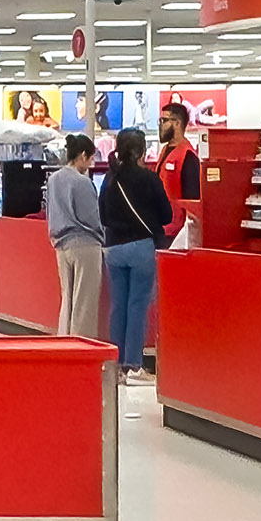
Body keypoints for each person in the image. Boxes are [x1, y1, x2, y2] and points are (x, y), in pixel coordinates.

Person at [99, 127, 171, 386]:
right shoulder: (149, 179)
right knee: (137, 306)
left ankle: (115, 365)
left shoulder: (110, 179)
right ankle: (134, 365)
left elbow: (103, 216)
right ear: (141, 150)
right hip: (141, 246)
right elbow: (167, 216)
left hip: (113, 248)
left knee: (118, 305)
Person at [46, 134, 104, 339]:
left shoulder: (53, 180)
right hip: (86, 245)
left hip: (61, 245)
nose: (91, 163)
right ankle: (82, 345)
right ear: (82, 155)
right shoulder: (83, 182)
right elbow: (91, 217)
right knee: (84, 302)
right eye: (90, 158)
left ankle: (64, 342)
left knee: (67, 300)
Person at [156, 102, 202, 246]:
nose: (160, 125)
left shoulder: (188, 156)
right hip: (160, 227)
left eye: (164, 121)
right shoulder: (164, 151)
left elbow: (192, 201)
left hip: (176, 234)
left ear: (177, 123)